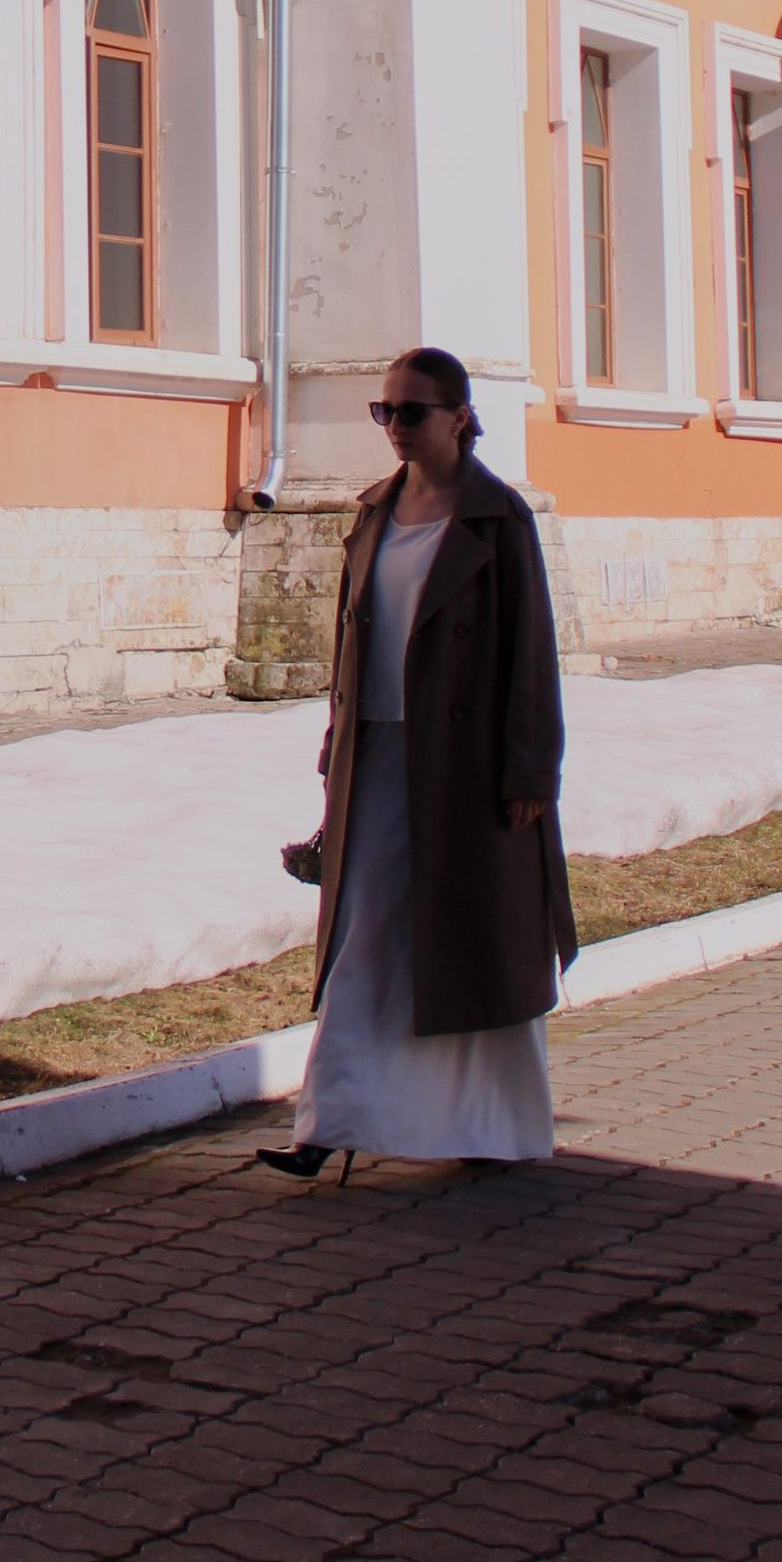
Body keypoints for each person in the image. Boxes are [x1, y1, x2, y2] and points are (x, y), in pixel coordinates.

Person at [260, 346, 577, 1179]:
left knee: (474, 945)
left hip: (468, 766)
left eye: (411, 411)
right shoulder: (373, 511)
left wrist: (530, 771)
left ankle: (493, 1127)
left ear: (459, 417)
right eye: (384, 411)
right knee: (363, 929)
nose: (394, 426)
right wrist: (336, 740)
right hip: (378, 753)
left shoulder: (498, 518)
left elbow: (531, 653)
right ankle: (328, 1121)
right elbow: (351, 639)